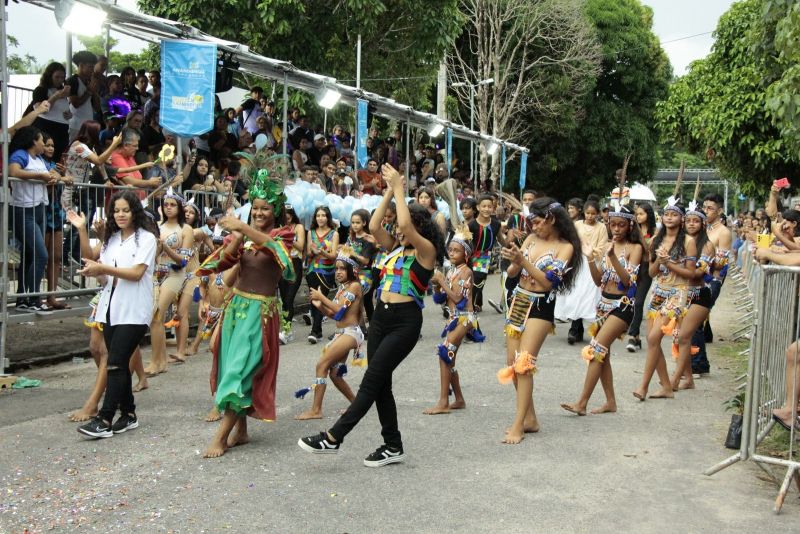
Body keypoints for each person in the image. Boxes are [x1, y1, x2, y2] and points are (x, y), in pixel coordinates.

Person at [298, 163, 441, 467]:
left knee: (371, 380)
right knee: (381, 384)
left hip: (405, 322)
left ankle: (334, 437)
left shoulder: (425, 251)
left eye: (407, 227)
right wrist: (389, 190)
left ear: (418, 228)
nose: (398, 229)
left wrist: (401, 189)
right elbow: (375, 226)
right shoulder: (392, 250)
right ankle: (393, 444)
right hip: (381, 321)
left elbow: (404, 224)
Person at [196, 169, 295, 458]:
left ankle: (219, 437)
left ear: (275, 211)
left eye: (266, 208)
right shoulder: (246, 235)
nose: (260, 213)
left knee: (240, 370)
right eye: (256, 208)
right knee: (230, 365)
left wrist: (246, 228)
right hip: (236, 308)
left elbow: (284, 263)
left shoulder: (282, 235)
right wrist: (238, 236)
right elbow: (219, 263)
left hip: (259, 313)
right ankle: (241, 430)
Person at [71, 190, 158, 438]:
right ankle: (128, 414)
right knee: (116, 362)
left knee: (116, 362)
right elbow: (101, 271)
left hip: (134, 309)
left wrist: (103, 267)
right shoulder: (111, 240)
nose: (120, 215)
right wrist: (81, 230)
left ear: (135, 212)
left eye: (125, 210)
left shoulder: (146, 239)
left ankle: (105, 418)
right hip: (111, 308)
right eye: (116, 210)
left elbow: (136, 273)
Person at [498, 199, 580, 443]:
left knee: (524, 363)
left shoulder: (565, 247)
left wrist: (523, 261)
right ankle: (530, 418)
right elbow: (514, 272)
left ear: (551, 219)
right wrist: (513, 257)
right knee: (512, 364)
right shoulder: (531, 239)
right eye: (531, 223)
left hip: (541, 305)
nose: (533, 228)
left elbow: (547, 282)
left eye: (536, 222)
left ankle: (518, 424)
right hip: (519, 301)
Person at [561, 200, 643, 416]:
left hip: (622, 306)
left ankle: (582, 403)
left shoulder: (635, 248)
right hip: (603, 304)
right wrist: (590, 259)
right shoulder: (609, 246)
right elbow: (599, 282)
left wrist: (613, 257)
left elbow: (628, 282)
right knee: (603, 354)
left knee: (596, 348)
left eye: (621, 225)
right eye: (612, 225)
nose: (616, 229)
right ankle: (610, 402)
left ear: (630, 226)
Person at [633, 196, 697, 401]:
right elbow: (651, 273)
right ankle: (667, 387)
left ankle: (643, 386)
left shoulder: (689, 241)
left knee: (653, 338)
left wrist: (669, 263)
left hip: (678, 292)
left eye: (674, 215)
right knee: (653, 341)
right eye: (667, 214)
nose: (669, 218)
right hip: (658, 291)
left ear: (681, 218)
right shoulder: (655, 241)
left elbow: (691, 274)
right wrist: (660, 261)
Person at [294, 246, 363, 420]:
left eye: (342, 268)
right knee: (334, 374)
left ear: (352, 270)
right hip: (343, 333)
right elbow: (335, 314)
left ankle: (316, 410)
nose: (338, 272)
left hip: (350, 333)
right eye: (336, 268)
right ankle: (356, 405)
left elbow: (339, 308)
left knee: (321, 366)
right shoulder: (342, 289)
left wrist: (321, 296)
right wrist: (320, 307)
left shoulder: (354, 286)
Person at [424, 225, 481, 414]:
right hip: (453, 318)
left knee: (444, 353)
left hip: (464, 318)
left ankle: (443, 402)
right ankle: (459, 399)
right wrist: (438, 286)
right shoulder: (451, 271)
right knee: (450, 359)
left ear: (466, 254)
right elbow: (442, 299)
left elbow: (459, 299)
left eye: (457, 250)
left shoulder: (466, 272)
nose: (452, 253)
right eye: (450, 250)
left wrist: (441, 281)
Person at [8, 126, 60, 314]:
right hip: (24, 210)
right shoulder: (20, 155)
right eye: (40, 140)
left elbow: (52, 173)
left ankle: (23, 298)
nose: (43, 144)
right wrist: (39, 176)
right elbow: (13, 172)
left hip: (39, 209)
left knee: (30, 255)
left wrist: (54, 177)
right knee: (41, 254)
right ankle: (33, 298)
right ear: (33, 141)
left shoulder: (39, 159)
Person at [143, 188, 194, 375]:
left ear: (180, 208)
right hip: (156, 274)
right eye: (166, 204)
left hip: (176, 275)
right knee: (154, 318)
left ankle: (157, 362)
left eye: (173, 205)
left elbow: (183, 261)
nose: (169, 208)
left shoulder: (186, 229)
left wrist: (165, 247)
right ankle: (160, 360)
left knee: (157, 313)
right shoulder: (158, 226)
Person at [670, 198, 715, 391]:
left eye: (696, 221)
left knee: (684, 336)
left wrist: (671, 265)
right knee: (680, 337)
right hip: (682, 294)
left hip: (699, 294)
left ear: (703, 224)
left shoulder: (707, 245)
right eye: (688, 220)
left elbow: (697, 273)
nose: (691, 224)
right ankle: (688, 379)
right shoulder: (681, 243)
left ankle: (675, 378)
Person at [690, 193, 733, 375]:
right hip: (695, 279)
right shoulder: (701, 228)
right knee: (693, 321)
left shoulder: (723, 232)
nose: (706, 211)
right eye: (705, 207)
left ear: (720, 210)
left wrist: (710, 272)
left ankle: (698, 364)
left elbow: (721, 263)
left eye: (710, 208)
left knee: (696, 321)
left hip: (711, 281)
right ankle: (699, 363)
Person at [555, 199, 607, 344]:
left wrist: (591, 252)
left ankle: (584, 329)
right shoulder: (577, 225)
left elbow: (602, 247)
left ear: (597, 214)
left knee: (589, 296)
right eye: (588, 213)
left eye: (593, 213)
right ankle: (574, 328)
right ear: (583, 212)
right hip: (578, 262)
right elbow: (571, 240)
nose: (590, 216)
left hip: (592, 264)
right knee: (576, 294)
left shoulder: (601, 227)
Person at [306, 206, 340, 344]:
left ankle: (314, 331)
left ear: (328, 217)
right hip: (312, 270)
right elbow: (307, 253)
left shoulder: (334, 234)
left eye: (323, 215)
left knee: (321, 299)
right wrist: (312, 252)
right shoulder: (311, 232)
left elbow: (333, 256)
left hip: (327, 271)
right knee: (314, 300)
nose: (320, 218)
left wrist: (322, 252)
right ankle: (318, 330)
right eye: (318, 215)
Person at [626, 202, 656, 352]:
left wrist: (638, 230)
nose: (638, 217)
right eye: (636, 214)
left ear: (648, 215)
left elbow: (648, 249)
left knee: (638, 302)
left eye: (641, 214)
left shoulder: (656, 231)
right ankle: (636, 338)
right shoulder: (631, 230)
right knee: (631, 302)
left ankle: (632, 335)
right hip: (632, 267)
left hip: (645, 269)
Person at [28, 62, 72, 161]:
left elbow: (66, 112)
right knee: (45, 154)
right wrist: (56, 96)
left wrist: (69, 114)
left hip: (62, 128)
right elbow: (40, 109)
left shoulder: (62, 92)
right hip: (46, 126)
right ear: (50, 75)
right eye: (57, 77)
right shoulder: (41, 89)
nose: (60, 80)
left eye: (62, 77)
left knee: (58, 155)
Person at [469, 194, 505, 312]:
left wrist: (510, 248)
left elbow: (501, 240)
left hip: (484, 256)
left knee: (479, 280)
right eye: (483, 206)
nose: (486, 209)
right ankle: (475, 303)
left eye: (489, 207)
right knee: (469, 280)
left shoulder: (496, 224)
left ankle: (474, 305)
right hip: (469, 256)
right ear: (478, 207)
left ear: (493, 209)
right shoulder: (471, 225)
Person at [277, 205, 305, 343]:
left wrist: (289, 239)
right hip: (282, 263)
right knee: (284, 300)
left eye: (288, 215)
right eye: (284, 216)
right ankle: (286, 329)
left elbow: (300, 246)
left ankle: (286, 332)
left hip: (295, 263)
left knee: (289, 298)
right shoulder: (279, 227)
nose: (286, 218)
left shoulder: (298, 227)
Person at [347, 209, 377, 322]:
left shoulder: (367, 238)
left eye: (357, 222)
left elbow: (365, 260)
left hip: (366, 274)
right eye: (353, 222)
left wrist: (353, 253)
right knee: (362, 302)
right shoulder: (351, 237)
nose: (354, 225)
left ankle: (369, 328)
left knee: (362, 301)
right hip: (352, 272)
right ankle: (359, 328)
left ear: (364, 223)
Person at [66, 51, 100, 143]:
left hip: (88, 125)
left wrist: (95, 93)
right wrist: (89, 92)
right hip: (76, 126)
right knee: (73, 152)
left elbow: (97, 107)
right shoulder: (72, 81)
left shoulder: (90, 82)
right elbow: (75, 103)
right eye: (90, 67)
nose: (92, 70)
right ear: (81, 65)